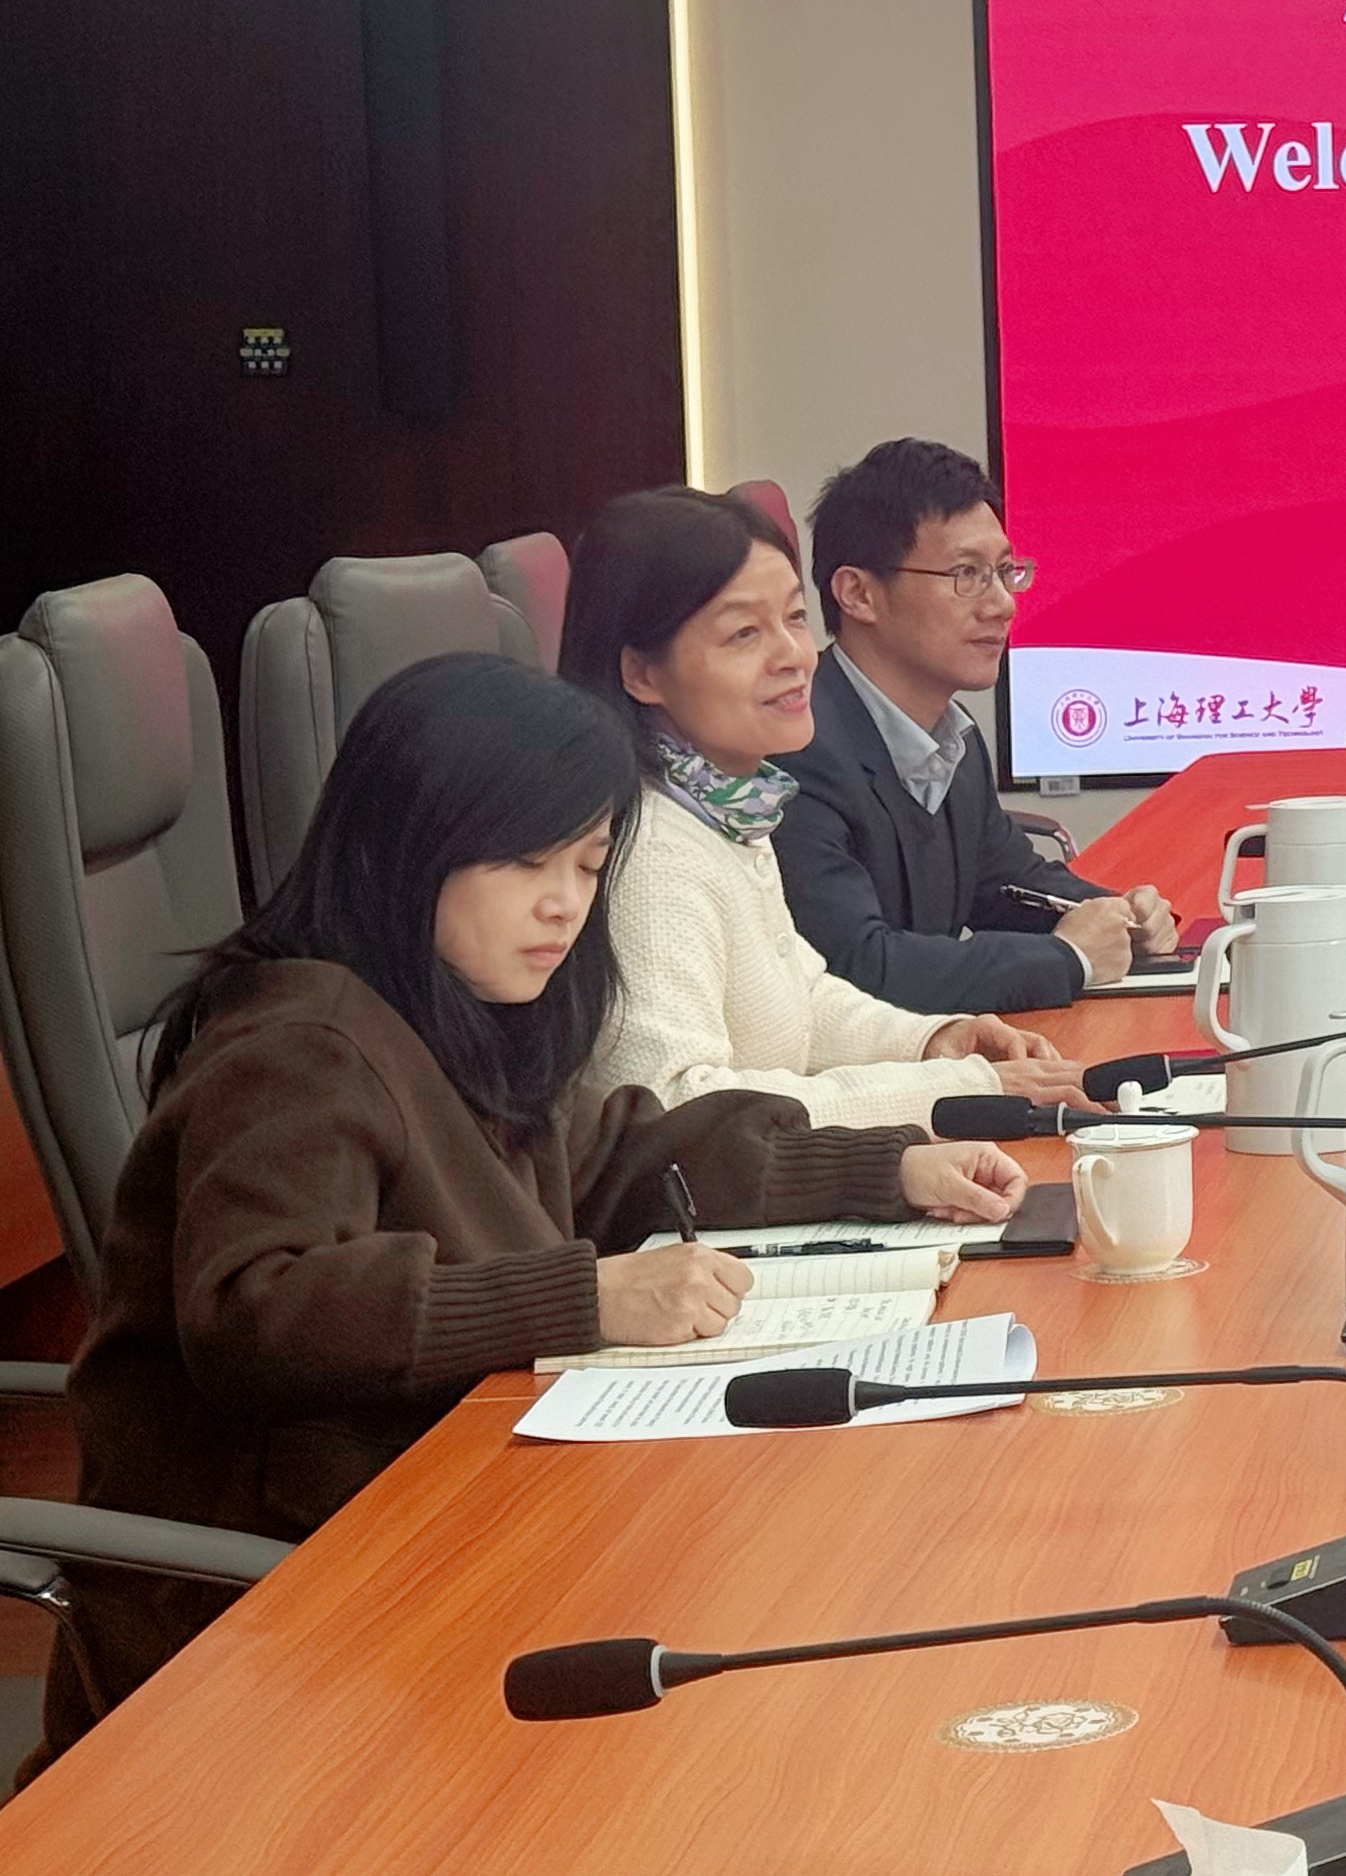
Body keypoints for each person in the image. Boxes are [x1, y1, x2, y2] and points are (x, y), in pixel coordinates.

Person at [27, 654, 1024, 1770]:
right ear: (409, 842)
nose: (565, 903)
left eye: (589, 865)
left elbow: (619, 1157)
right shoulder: (299, 1046)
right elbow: (264, 1311)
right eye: (523, 862)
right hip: (277, 1635)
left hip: (446, 1524)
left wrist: (883, 1169)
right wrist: (583, 1296)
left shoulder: (454, 1007)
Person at [561, 486, 1095, 1125]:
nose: (793, 656)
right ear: (643, 674)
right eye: (744, 633)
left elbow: (804, 1001)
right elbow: (675, 1108)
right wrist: (953, 1090)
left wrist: (933, 1041)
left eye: (793, 618)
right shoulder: (650, 854)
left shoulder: (729, 805)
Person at [775, 439, 1177, 1011]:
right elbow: (856, 967)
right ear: (859, 594)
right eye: (966, 574)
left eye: (1005, 572)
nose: (1003, 605)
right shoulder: (797, 749)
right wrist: (1070, 958)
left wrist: (1117, 914)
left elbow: (1005, 882)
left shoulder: (954, 738)